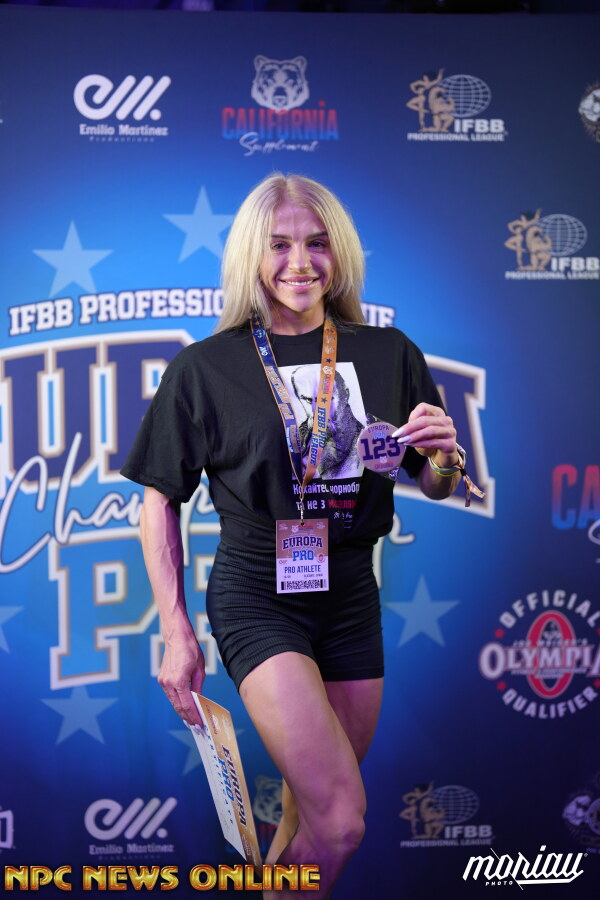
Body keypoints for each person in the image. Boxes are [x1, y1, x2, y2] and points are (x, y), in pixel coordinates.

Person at [121, 173, 467, 898]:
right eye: (279, 245)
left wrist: (446, 455)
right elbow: (158, 501)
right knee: (342, 822)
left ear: (340, 253)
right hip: (257, 597)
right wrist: (176, 632)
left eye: (317, 243)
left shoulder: (388, 353)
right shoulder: (205, 367)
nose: (300, 262)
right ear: (252, 254)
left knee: (310, 818)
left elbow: (433, 479)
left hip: (351, 598)